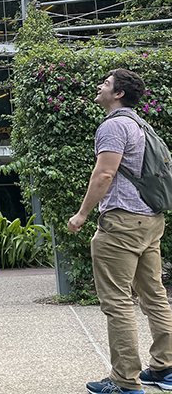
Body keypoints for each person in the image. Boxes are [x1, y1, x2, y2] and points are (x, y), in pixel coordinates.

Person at [68, 68, 172, 394]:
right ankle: (164, 369)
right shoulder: (143, 125)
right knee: (154, 296)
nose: (99, 85)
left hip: (122, 225)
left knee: (118, 303)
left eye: (106, 83)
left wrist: (82, 214)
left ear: (119, 94)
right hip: (151, 221)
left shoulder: (113, 126)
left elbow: (104, 175)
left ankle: (125, 381)